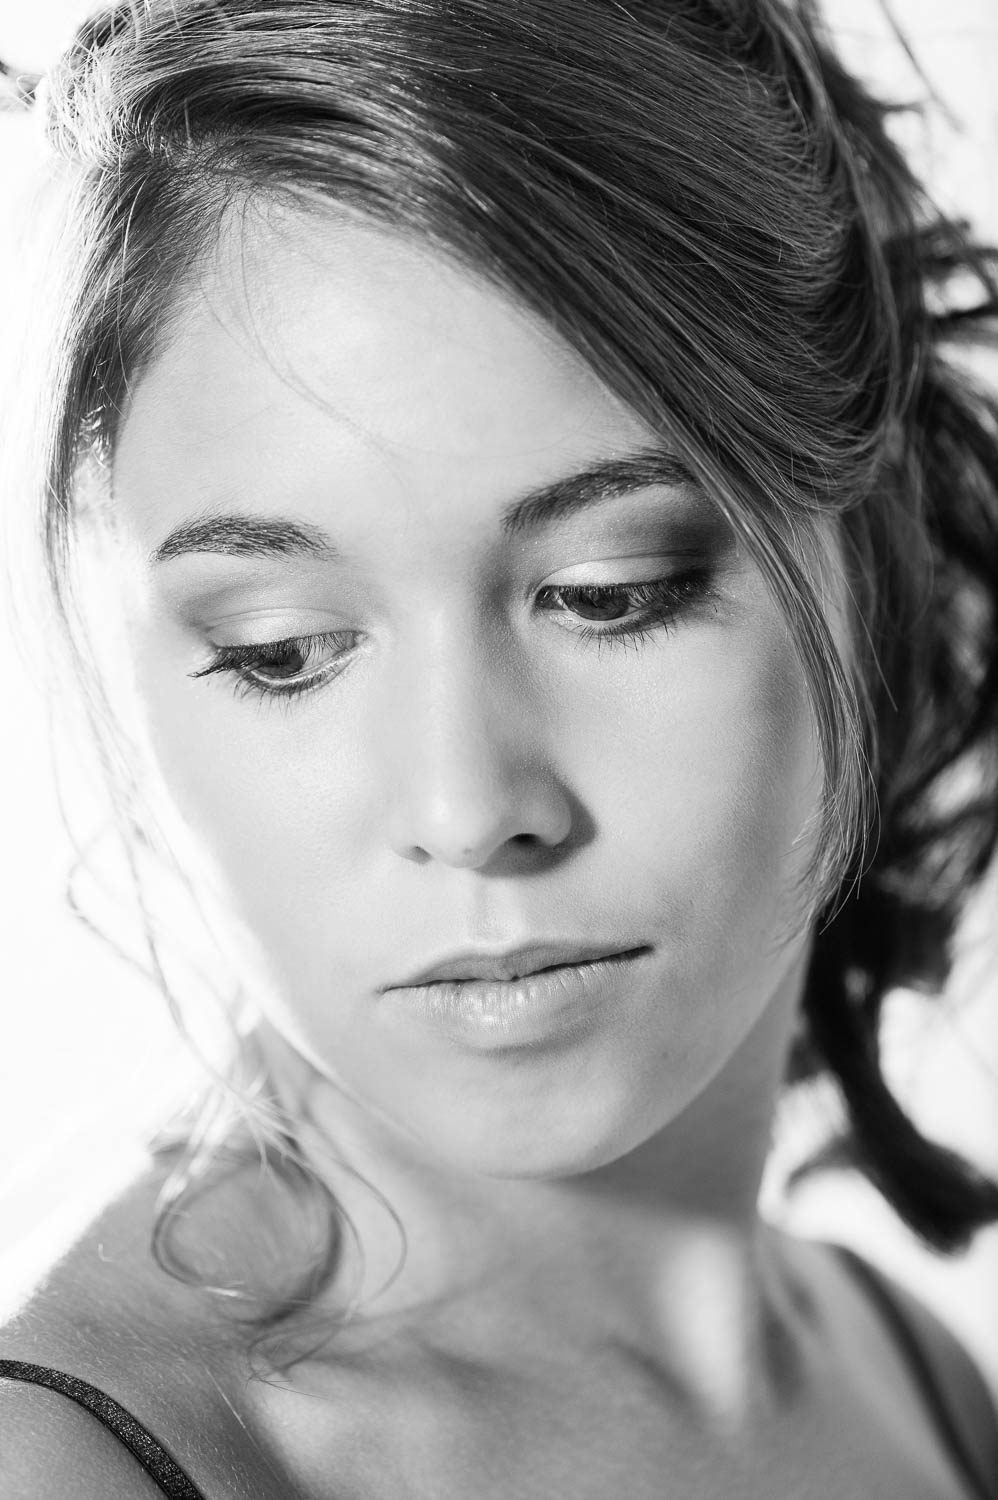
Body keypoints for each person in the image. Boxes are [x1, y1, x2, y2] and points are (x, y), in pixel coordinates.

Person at [1, 0, 997, 1494]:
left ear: (879, 549)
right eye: (280, 651)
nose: (469, 806)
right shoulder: (85, 1467)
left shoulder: (915, 1380)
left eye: (612, 595)